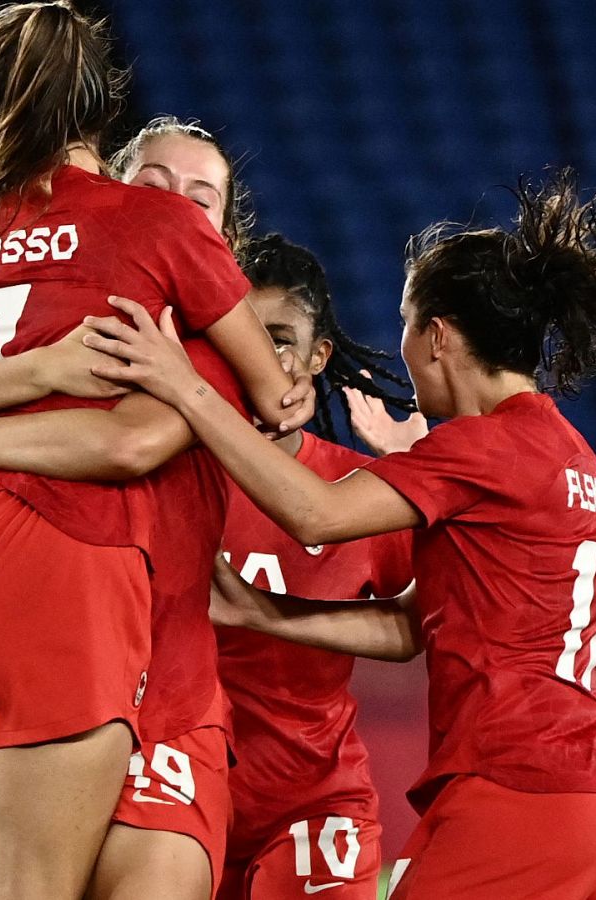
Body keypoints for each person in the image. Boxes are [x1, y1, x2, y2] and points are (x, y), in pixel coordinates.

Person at [80, 170, 596, 898]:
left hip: (519, 794)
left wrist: (185, 386)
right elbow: (413, 627)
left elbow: (316, 513)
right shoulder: (569, 452)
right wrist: (263, 612)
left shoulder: (483, 447)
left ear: (439, 335)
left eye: (408, 324)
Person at [0, 5, 308, 899]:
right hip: (62, 559)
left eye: (200, 191)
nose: (178, 198)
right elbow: (264, 398)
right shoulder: (165, 238)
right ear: (106, 111)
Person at [216, 233, 415, 900]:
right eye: (241, 334)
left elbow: (439, 616)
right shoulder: (159, 471)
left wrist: (430, 475)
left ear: (318, 355)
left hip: (313, 804)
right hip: (173, 799)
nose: (260, 358)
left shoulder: (360, 493)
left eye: (280, 337)